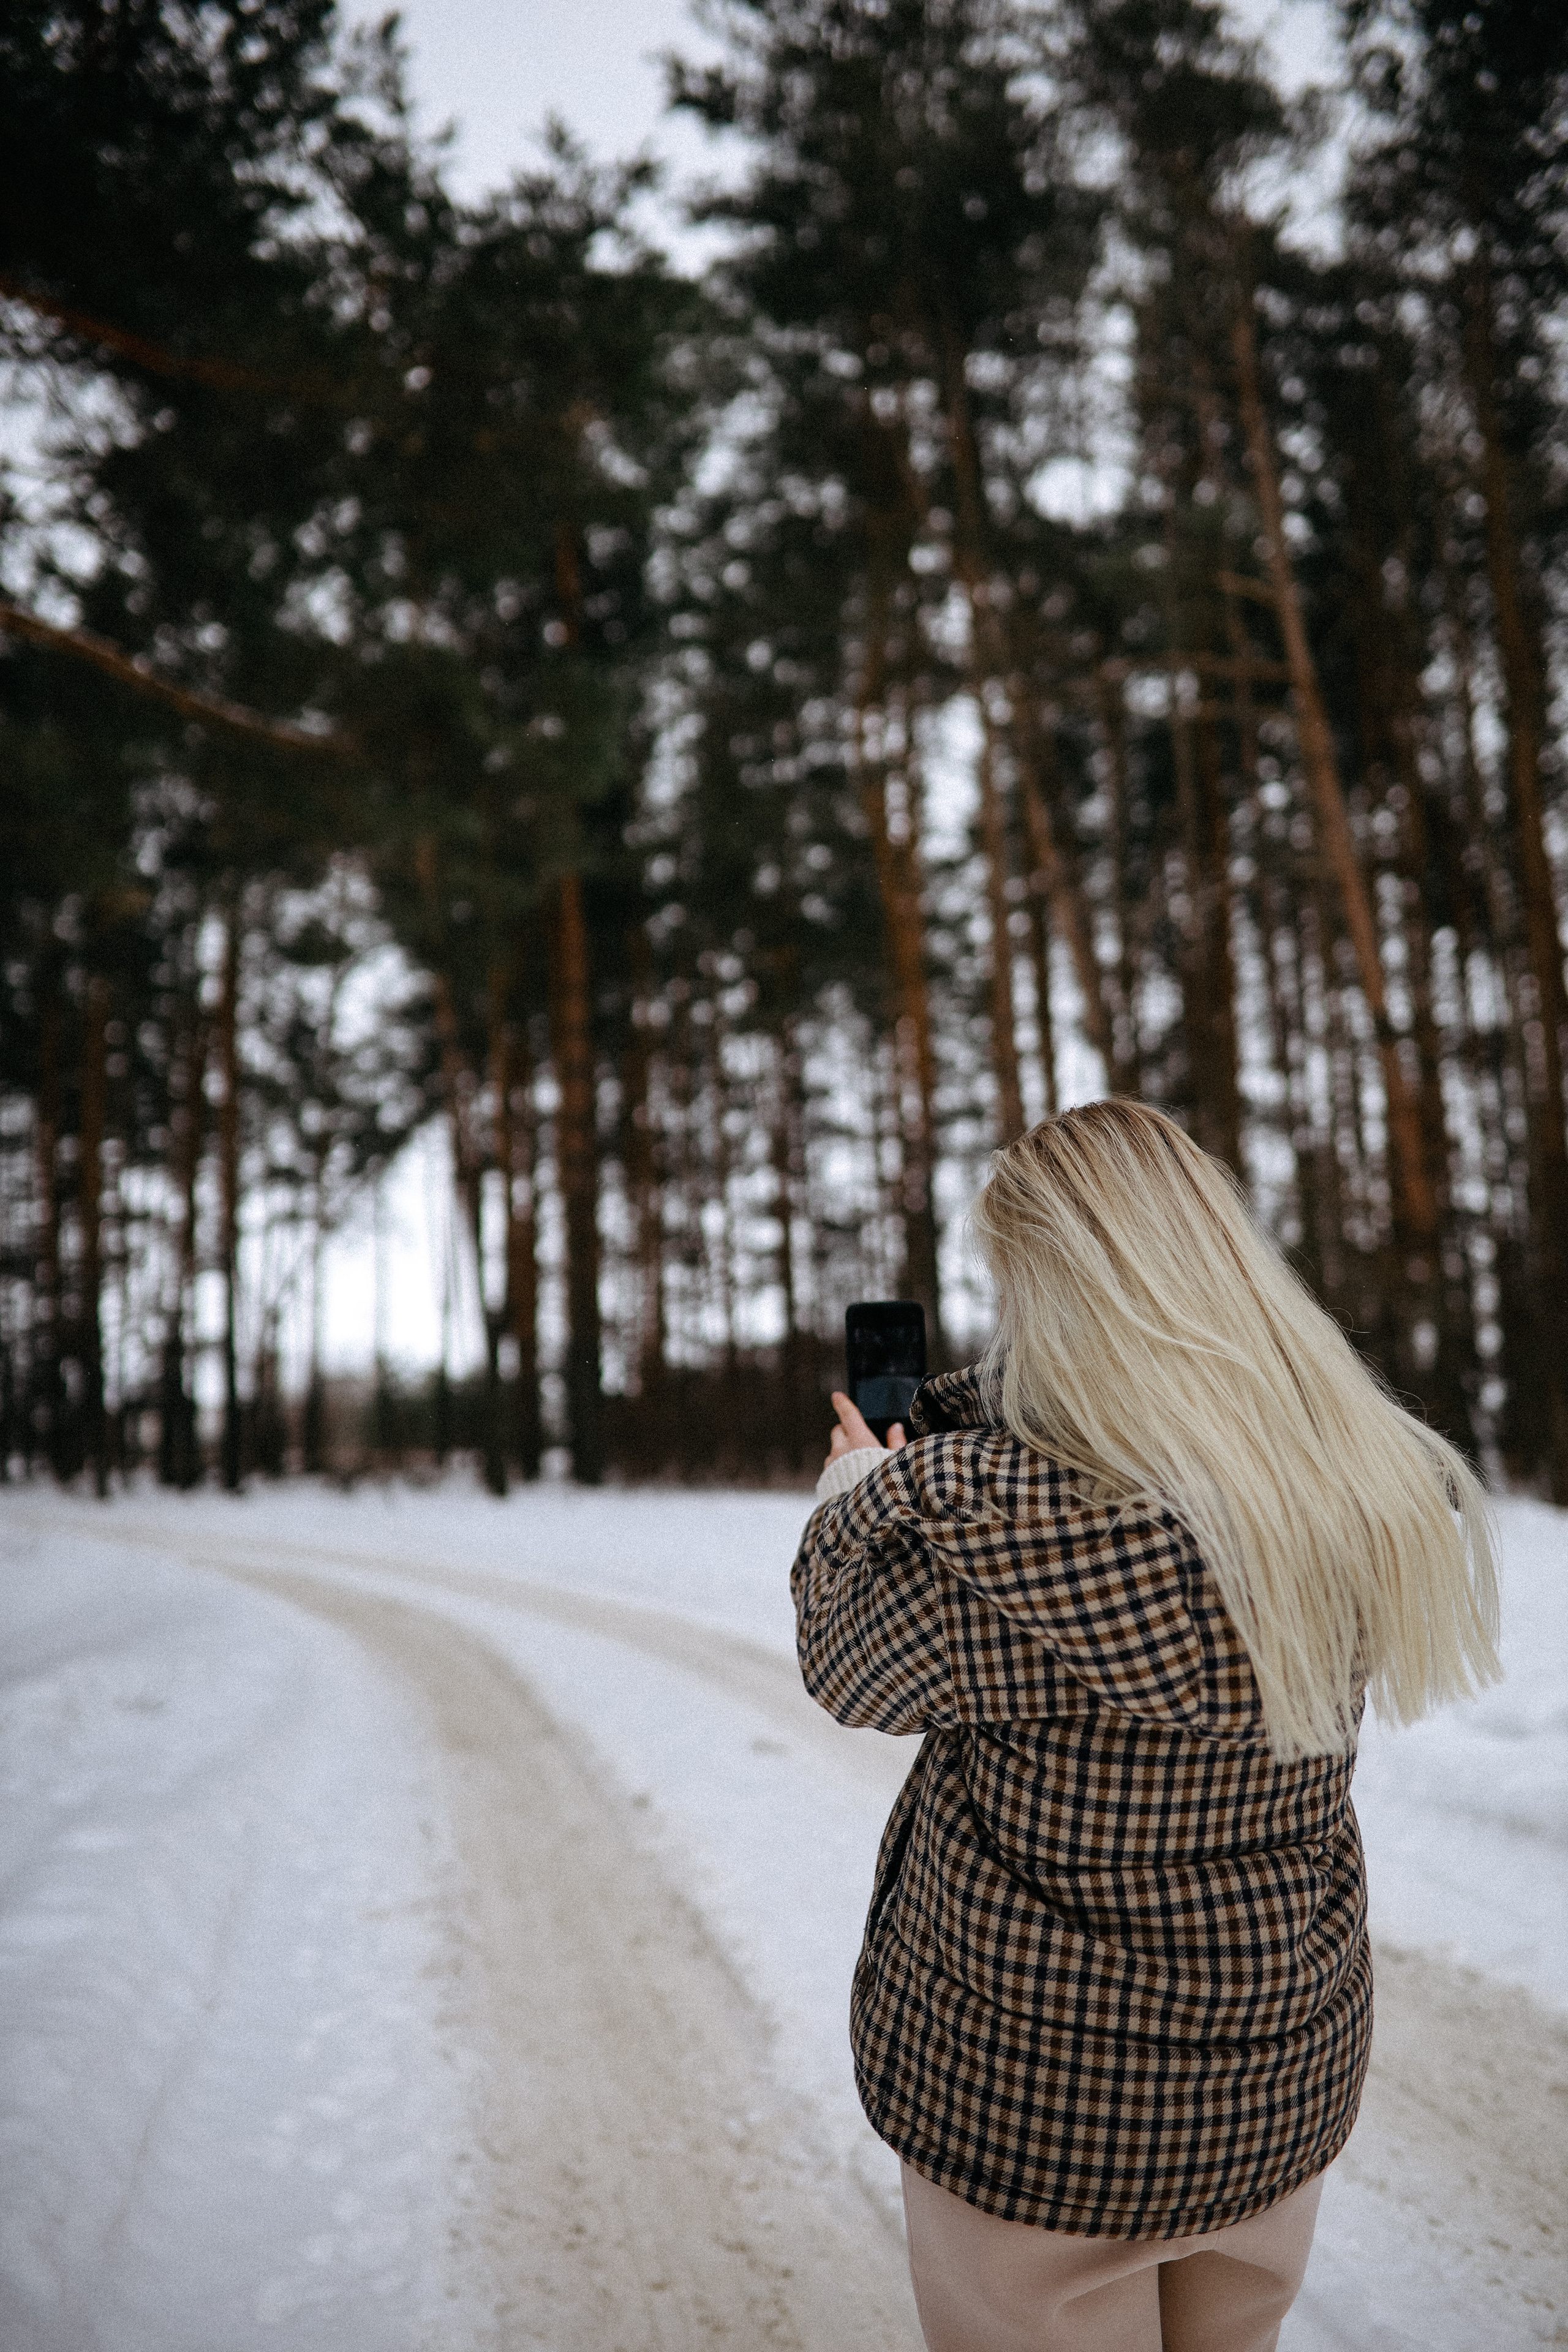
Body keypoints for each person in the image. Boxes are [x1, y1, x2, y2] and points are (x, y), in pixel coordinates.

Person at [793, 1101, 1500, 2352]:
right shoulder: (1352, 1494)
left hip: (1040, 2120)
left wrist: (861, 1498)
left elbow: (847, 1674)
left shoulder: (999, 1551)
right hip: (1270, 2095)